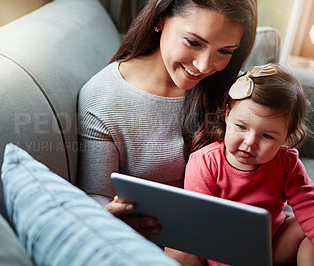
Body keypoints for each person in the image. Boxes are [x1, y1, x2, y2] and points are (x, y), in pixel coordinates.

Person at [77, 0, 257, 239]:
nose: (204, 66)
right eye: (193, 42)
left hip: (229, 234)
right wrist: (109, 216)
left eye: (224, 51)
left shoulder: (234, 89)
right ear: (161, 18)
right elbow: (97, 194)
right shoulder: (102, 98)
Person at [165, 64, 314, 265]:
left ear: (285, 138)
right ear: (228, 116)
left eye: (267, 136)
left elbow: (310, 206)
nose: (250, 142)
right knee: (176, 247)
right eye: (242, 127)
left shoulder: (287, 163)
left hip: (270, 248)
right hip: (217, 250)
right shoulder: (205, 162)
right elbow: (203, 226)